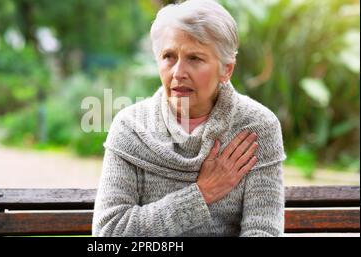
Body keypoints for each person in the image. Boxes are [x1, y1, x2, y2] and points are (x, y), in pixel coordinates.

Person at [92, 0, 286, 237]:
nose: (178, 72)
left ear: (226, 69)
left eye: (195, 58)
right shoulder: (130, 128)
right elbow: (109, 233)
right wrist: (202, 194)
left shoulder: (257, 127)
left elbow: (263, 232)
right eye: (169, 56)